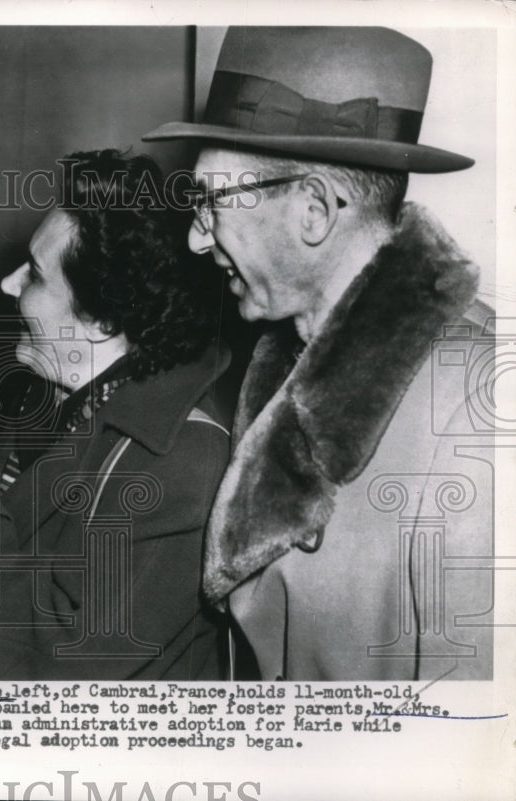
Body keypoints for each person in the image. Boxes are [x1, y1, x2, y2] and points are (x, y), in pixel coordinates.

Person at [144, 26, 495, 680]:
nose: (195, 240)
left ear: (312, 211)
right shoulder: (284, 366)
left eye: (209, 202)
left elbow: (476, 738)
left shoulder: (476, 412)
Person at [0, 149, 232, 680]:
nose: (8, 285)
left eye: (34, 275)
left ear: (101, 319)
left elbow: (57, 671)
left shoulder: (183, 465)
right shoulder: (28, 394)